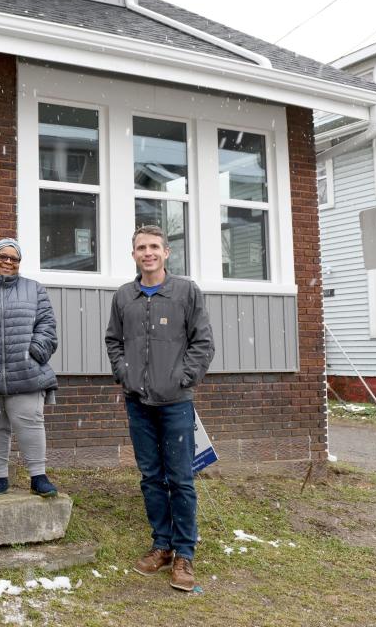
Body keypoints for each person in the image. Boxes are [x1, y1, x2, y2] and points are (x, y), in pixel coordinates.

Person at [104, 224, 215, 592]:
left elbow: (203, 343)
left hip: (176, 404)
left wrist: (184, 378)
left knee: (181, 479)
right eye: (140, 247)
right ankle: (162, 546)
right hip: (138, 403)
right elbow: (113, 341)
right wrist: (125, 374)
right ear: (133, 254)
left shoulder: (186, 292)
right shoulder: (124, 296)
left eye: (154, 246)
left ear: (167, 252)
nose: (147, 253)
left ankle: (184, 553)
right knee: (151, 477)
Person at [0, 237, 59, 498]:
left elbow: (47, 327)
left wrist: (34, 353)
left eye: (13, 258)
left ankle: (38, 476)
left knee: (30, 422)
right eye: (2, 256)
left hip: (26, 372)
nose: (7, 262)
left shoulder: (34, 289)